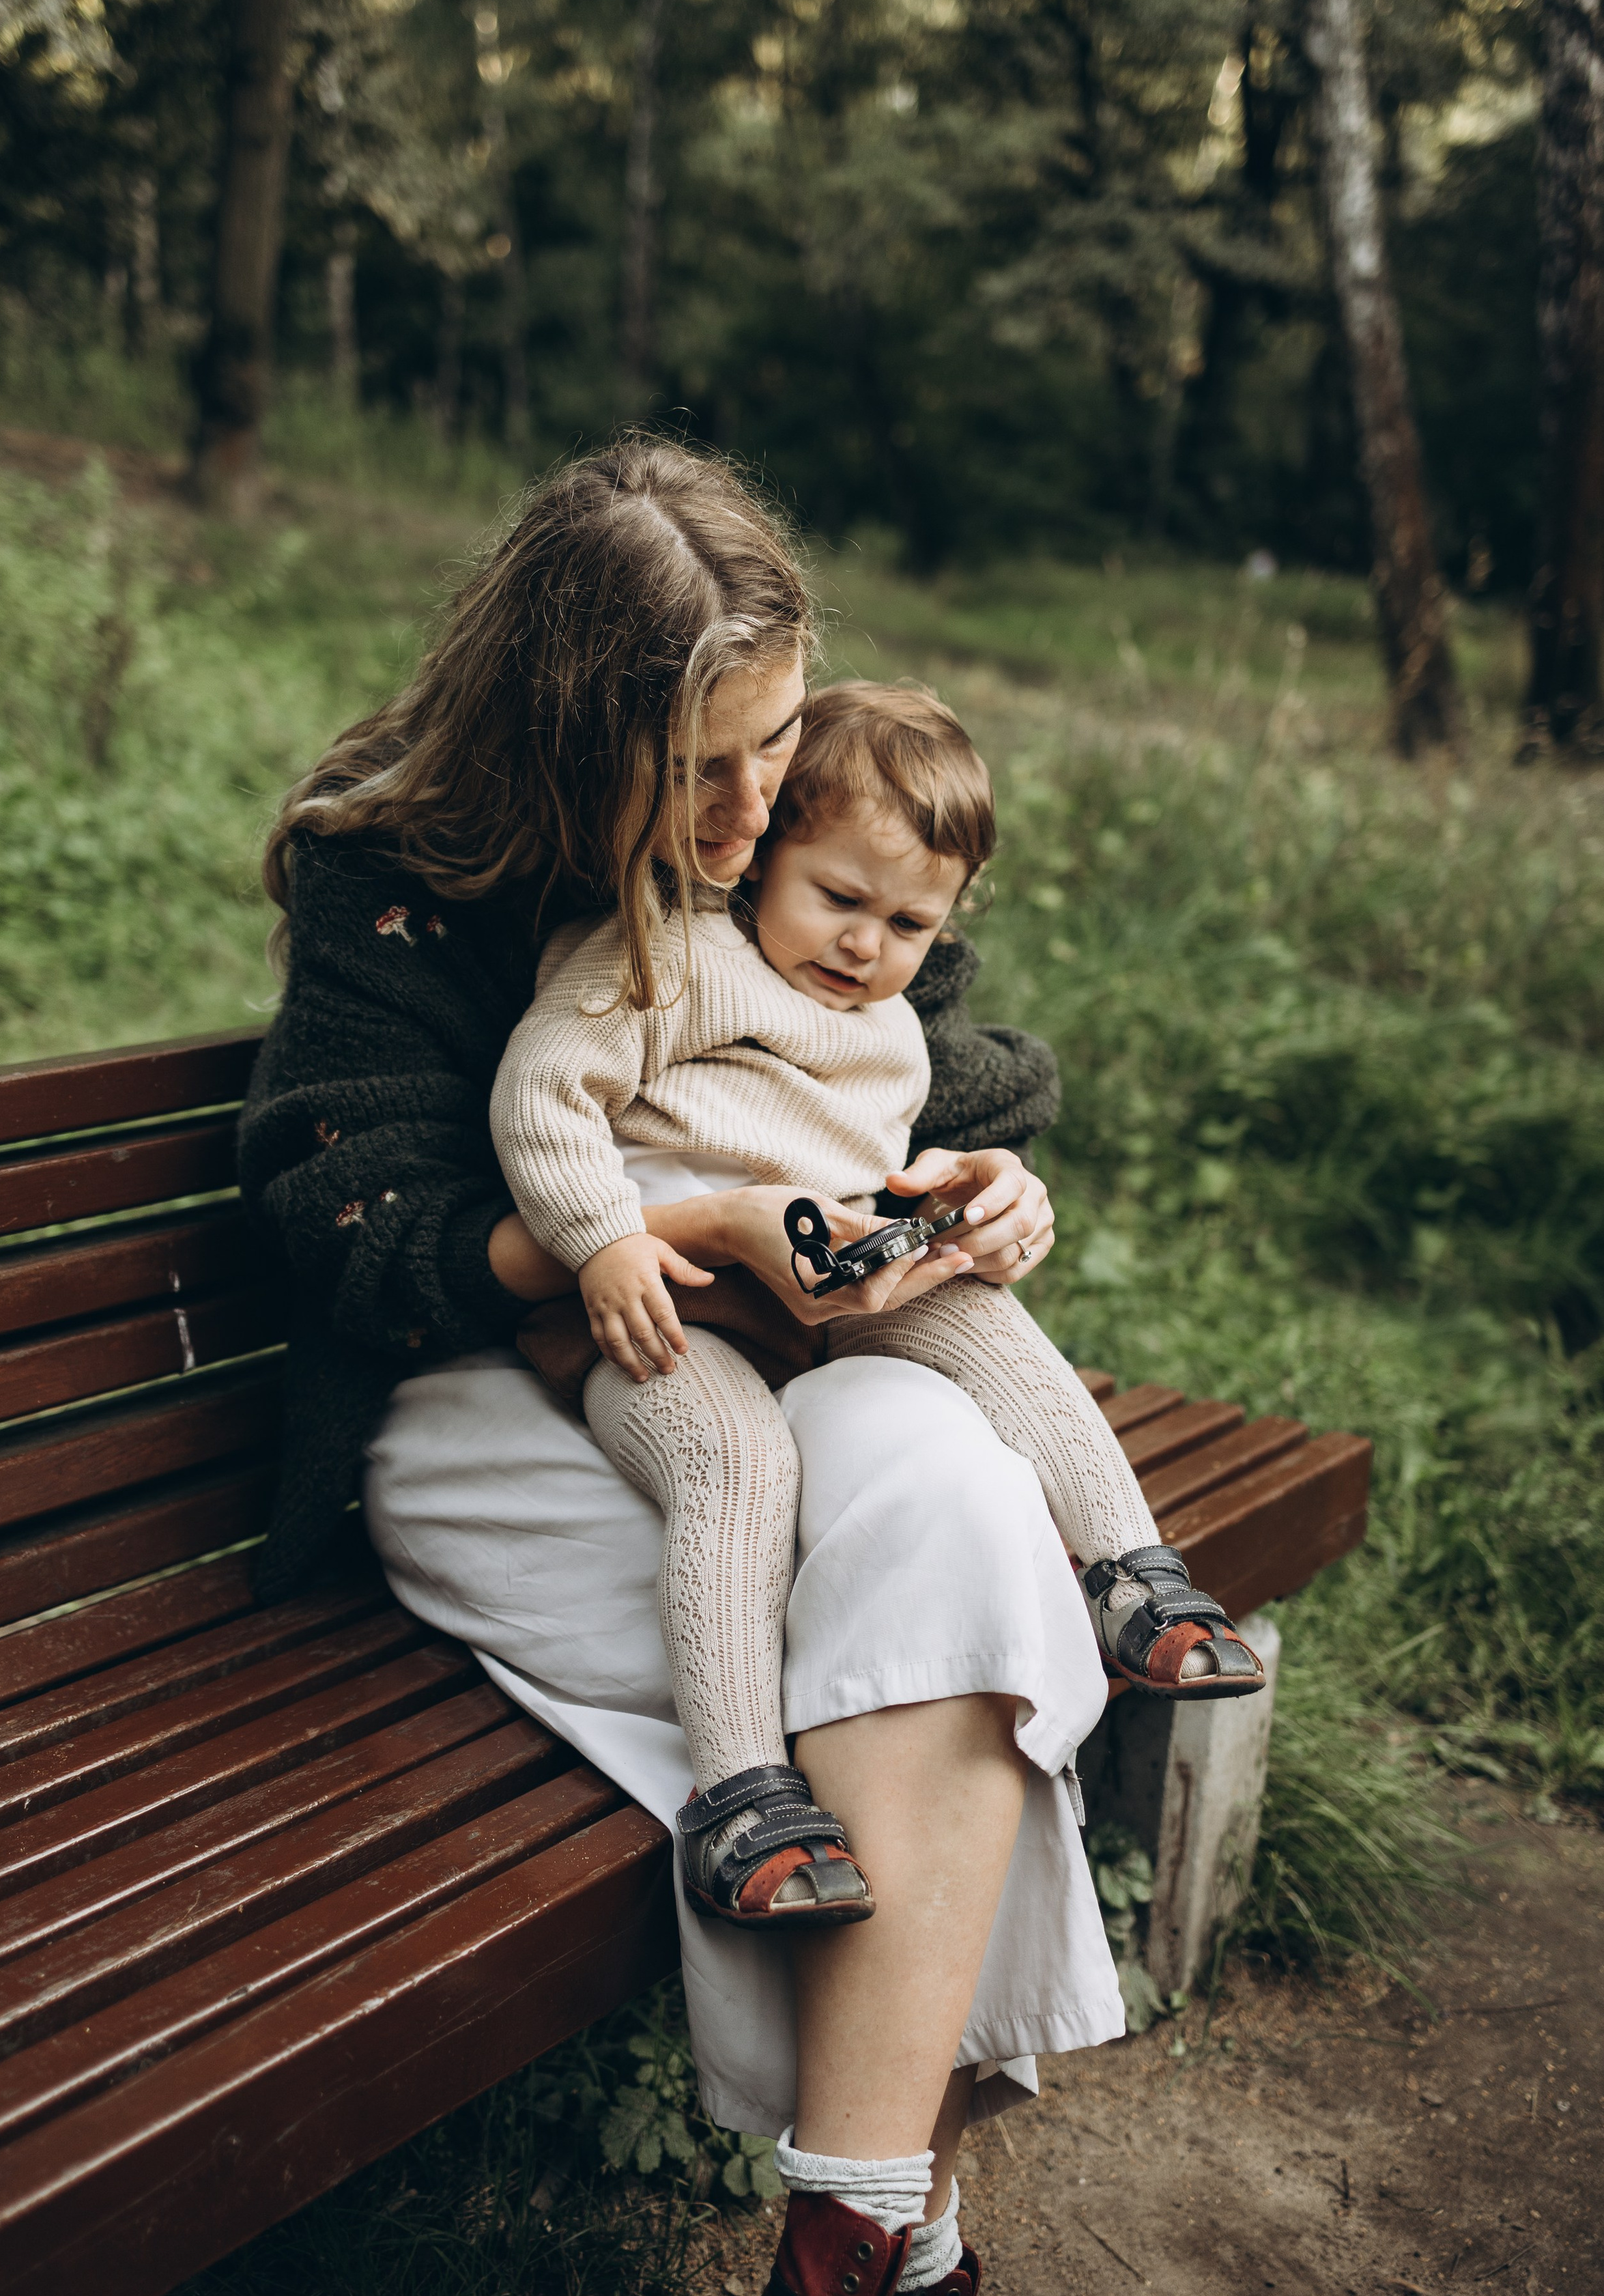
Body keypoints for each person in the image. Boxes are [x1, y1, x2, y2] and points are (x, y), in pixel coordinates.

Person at [240, 440, 1128, 2296]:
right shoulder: (408, 865)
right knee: (922, 1702)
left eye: (775, 744)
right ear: (569, 732)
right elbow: (328, 1204)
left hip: (750, 1360)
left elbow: (960, 1045)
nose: (751, 815)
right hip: (478, 1400)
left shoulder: (785, 825)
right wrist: (641, 1238)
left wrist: (972, 1185)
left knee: (964, 1523)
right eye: (702, 770)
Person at [486, 679, 1265, 1935]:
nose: (865, 946)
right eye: (839, 899)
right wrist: (601, 1242)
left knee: (977, 1315)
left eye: (908, 923)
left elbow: (887, 1160)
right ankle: (743, 1798)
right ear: (762, 857)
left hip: (816, 1279)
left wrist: (950, 1210)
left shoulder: (892, 1027)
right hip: (654, 1298)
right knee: (736, 1466)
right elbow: (541, 1094)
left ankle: (1135, 1576)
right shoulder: (672, 954)